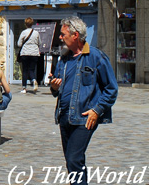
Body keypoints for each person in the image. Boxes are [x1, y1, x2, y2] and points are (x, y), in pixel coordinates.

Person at [50, 17, 117, 185]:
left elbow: (111, 88)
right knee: (73, 161)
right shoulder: (63, 59)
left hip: (84, 118)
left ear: (75, 35)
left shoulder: (95, 57)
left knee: (74, 159)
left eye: (63, 33)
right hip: (64, 116)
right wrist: (54, 87)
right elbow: (56, 89)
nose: (60, 37)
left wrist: (97, 110)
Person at [18, 17, 41, 93]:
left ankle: (24, 88)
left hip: (25, 52)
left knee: (25, 70)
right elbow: (39, 43)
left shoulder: (24, 32)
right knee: (32, 69)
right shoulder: (36, 33)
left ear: (25, 24)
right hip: (34, 53)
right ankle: (33, 80)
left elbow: (19, 43)